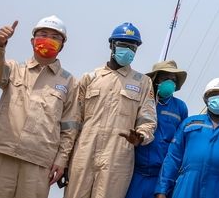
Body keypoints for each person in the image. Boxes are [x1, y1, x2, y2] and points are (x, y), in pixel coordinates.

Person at [0, 16, 79, 198]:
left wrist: (62, 160)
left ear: (62, 45)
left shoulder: (69, 82)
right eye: (43, 34)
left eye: (55, 37)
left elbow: (69, 127)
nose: (48, 39)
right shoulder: (14, 69)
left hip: (39, 162)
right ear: (33, 41)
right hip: (3, 152)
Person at [65, 22, 157, 198]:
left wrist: (141, 137)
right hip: (84, 151)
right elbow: (73, 121)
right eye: (124, 45)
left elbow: (148, 120)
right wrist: (64, 160)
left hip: (118, 156)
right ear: (112, 45)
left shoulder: (143, 82)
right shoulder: (90, 78)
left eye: (133, 47)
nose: (128, 50)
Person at [155, 77, 219, 198]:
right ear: (206, 99)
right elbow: (173, 158)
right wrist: (162, 190)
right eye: (214, 94)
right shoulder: (189, 123)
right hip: (186, 185)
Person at [124, 60, 189, 198]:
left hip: (162, 177)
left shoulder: (180, 107)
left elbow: (180, 145)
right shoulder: (141, 101)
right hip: (135, 174)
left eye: (173, 79)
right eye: (165, 78)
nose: (170, 82)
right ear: (155, 79)